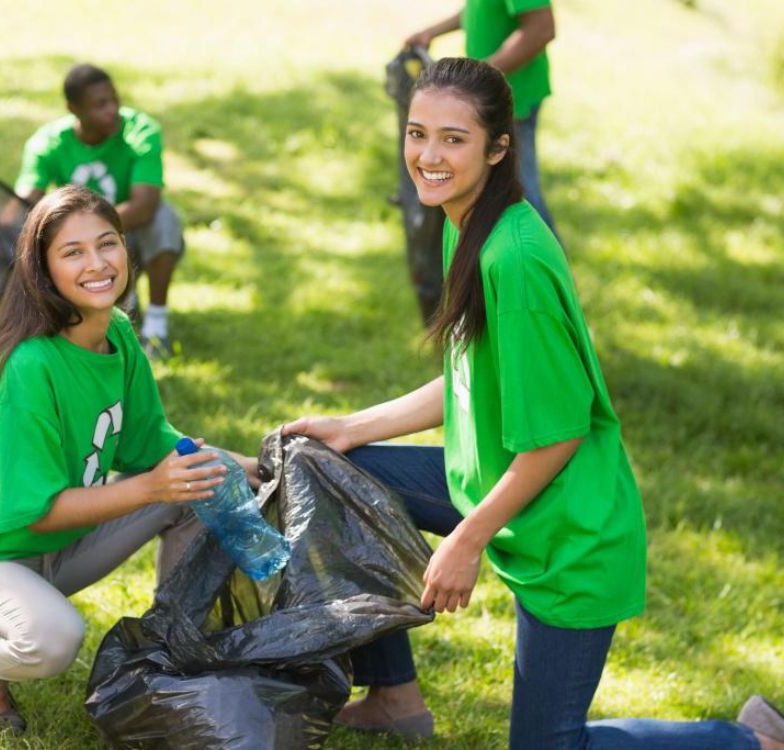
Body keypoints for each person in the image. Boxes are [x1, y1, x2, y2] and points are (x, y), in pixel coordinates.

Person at [283, 57, 782, 749]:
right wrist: (350, 427)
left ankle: (747, 741)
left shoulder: (512, 259)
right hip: (493, 486)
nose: (429, 156)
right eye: (417, 132)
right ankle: (393, 693)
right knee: (328, 470)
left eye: (453, 140)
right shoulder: (470, 217)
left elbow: (558, 436)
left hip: (569, 536)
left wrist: (466, 539)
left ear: (497, 147)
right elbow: (470, 381)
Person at [0, 186, 254, 734]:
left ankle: (170, 653)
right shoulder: (30, 365)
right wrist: (150, 489)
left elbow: (157, 446)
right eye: (72, 252)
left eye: (107, 244)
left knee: (201, 482)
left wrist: (263, 458)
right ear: (43, 271)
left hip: (61, 553)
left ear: (127, 247)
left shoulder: (118, 334)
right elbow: (37, 513)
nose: (97, 264)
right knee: (52, 640)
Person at [12, 63, 184, 359]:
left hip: (131, 236)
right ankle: (116, 310)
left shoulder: (139, 131)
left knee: (164, 217)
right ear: (74, 108)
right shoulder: (49, 142)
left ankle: (156, 327)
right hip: (86, 250)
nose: (112, 110)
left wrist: (93, 232)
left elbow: (144, 206)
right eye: (100, 105)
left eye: (114, 99)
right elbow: (25, 201)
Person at [404, 0, 559, 236]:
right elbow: (481, 8)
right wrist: (432, 31)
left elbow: (541, 28)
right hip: (477, 101)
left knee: (520, 197)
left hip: (507, 102)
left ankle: (544, 267)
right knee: (485, 197)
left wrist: (474, 82)